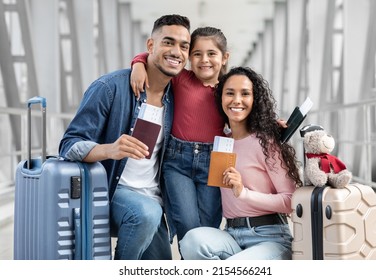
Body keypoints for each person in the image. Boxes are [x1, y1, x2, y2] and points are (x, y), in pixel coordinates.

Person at [58, 14, 191, 260]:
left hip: (153, 199)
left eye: (184, 46)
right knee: (146, 214)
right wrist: (110, 150)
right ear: (151, 46)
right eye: (168, 42)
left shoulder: (179, 95)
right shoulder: (109, 88)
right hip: (113, 191)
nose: (176, 51)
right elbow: (69, 145)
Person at [179, 66, 303, 260]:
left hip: (270, 237)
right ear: (220, 99)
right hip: (231, 235)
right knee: (191, 241)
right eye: (229, 93)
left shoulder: (266, 142)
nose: (237, 100)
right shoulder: (220, 141)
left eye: (245, 94)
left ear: (255, 100)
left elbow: (290, 201)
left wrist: (244, 193)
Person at [130, 27, 230, 244]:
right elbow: (151, 59)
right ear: (188, 58)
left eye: (211, 54)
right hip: (178, 162)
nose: (204, 60)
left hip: (215, 160)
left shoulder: (228, 88)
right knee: (187, 222)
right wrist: (138, 64)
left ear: (224, 58)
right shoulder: (181, 78)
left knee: (209, 223)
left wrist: (271, 124)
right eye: (197, 54)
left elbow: (249, 109)